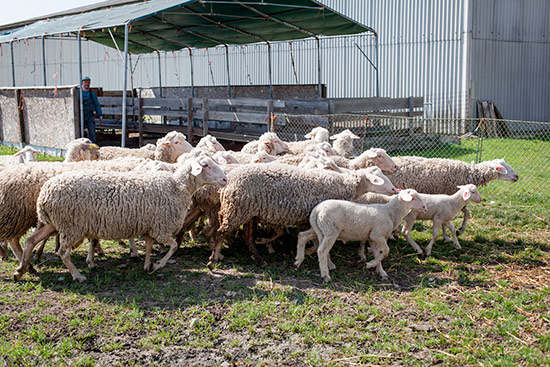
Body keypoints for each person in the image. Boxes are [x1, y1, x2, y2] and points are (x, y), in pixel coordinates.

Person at [80, 76, 103, 144]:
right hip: (80, 116)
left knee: (92, 133)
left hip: (90, 116)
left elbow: (97, 105)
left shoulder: (92, 94)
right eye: (85, 82)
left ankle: (93, 148)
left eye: (88, 82)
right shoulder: (78, 93)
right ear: (82, 83)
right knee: (80, 133)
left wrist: (100, 115)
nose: (86, 84)